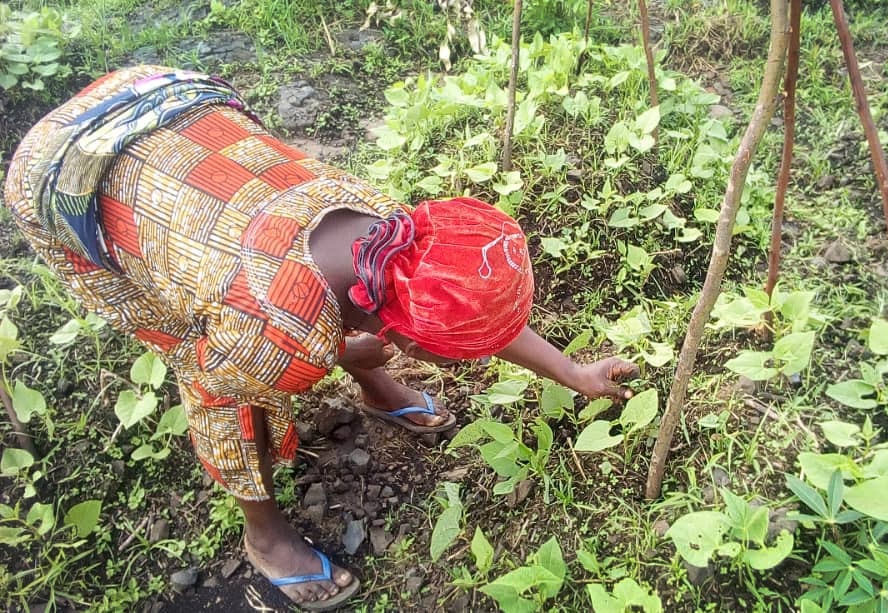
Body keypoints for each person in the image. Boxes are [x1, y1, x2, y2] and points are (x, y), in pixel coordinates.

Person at [2, 65, 638, 609]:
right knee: (229, 386)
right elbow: (214, 379)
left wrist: (573, 374)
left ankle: (377, 386)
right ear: (411, 339)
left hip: (168, 116)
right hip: (70, 170)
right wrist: (327, 353)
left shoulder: (392, 234)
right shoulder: (266, 337)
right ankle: (265, 537)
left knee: (330, 336)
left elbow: (453, 307)